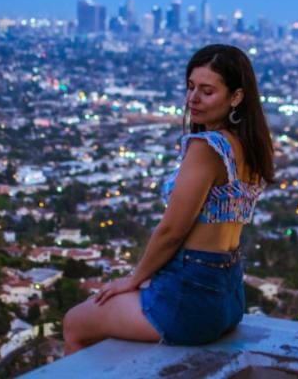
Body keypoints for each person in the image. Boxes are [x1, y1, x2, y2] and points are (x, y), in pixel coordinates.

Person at [62, 44, 274, 355]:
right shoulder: (252, 146)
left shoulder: (207, 147)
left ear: (236, 97)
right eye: (190, 87)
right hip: (229, 297)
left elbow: (171, 230)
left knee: (75, 323)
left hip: (189, 298)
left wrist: (133, 279)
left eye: (207, 91)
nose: (193, 99)